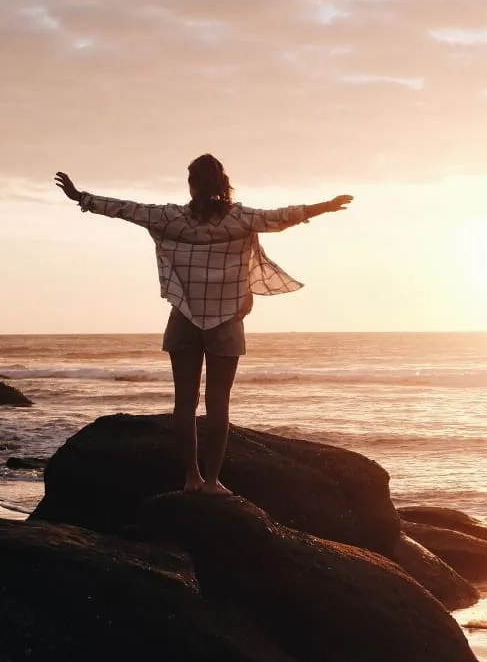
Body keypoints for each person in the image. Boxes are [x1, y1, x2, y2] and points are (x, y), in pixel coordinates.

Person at [54, 155, 352, 495]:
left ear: (192, 184)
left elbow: (127, 209)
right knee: (219, 402)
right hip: (227, 320)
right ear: (223, 183)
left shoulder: (171, 218)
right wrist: (325, 206)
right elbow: (282, 217)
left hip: (184, 317)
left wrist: (81, 198)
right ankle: (212, 482)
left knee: (185, 402)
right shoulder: (240, 218)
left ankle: (190, 478)